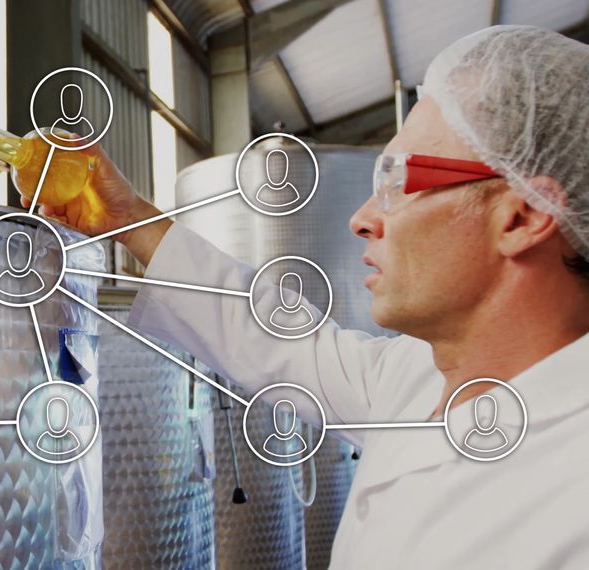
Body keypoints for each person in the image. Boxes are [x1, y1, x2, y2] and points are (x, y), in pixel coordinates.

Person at [30, 26, 589, 567]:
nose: (363, 219)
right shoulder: (414, 377)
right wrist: (130, 220)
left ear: (523, 216)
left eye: (398, 182)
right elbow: (271, 336)